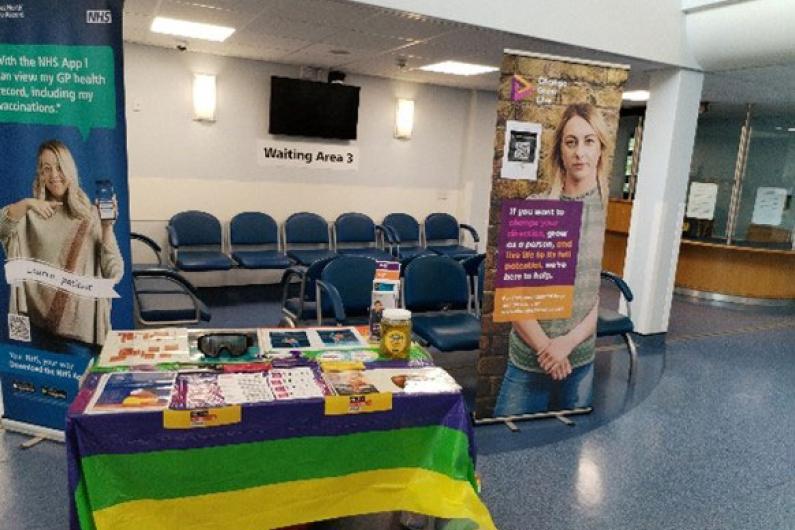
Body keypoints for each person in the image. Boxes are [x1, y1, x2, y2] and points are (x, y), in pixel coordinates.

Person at [494, 103, 611, 416]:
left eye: (589, 141)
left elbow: (598, 297)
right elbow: (513, 296)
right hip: (529, 359)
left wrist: (567, 344)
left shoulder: (605, 214)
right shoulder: (535, 207)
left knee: (569, 454)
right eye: (570, 142)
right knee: (507, 446)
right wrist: (547, 348)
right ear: (560, 149)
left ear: (601, 148)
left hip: (580, 358)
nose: (579, 152)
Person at [0, 140, 123, 349]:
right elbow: (2, 228)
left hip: (81, 336)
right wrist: (28, 203)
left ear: (70, 170)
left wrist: (107, 228)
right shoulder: (29, 216)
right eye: (46, 169)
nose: (54, 175)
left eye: (59, 167)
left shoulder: (90, 215)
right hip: (36, 330)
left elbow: (114, 272)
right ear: (40, 174)